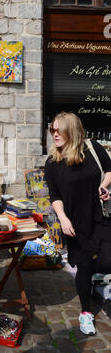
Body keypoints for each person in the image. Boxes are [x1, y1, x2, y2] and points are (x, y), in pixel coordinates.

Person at [44, 112, 111, 335]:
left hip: (101, 216)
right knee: (85, 266)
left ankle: (98, 283)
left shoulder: (92, 148)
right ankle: (85, 313)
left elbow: (109, 169)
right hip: (75, 223)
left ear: (71, 130)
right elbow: (55, 196)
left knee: (106, 261)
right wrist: (63, 219)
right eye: (52, 130)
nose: (54, 134)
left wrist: (104, 185)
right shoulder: (53, 163)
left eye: (58, 130)